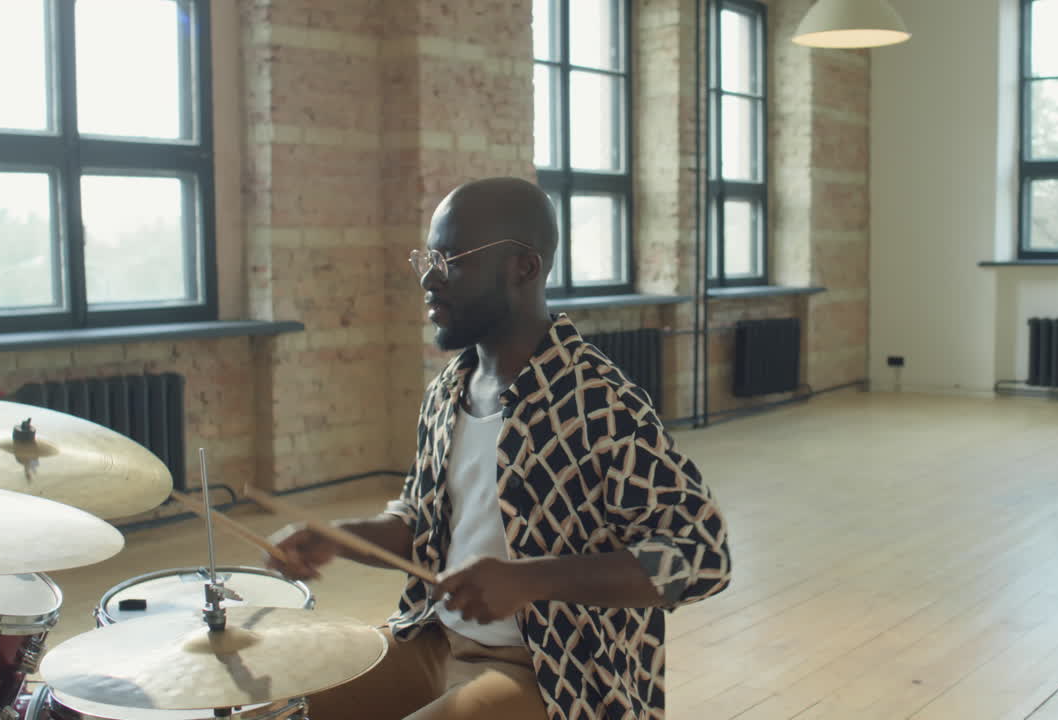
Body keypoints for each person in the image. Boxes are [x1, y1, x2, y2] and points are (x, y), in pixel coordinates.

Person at [267, 176, 731, 719]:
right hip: (434, 637)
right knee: (287, 709)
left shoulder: (601, 404)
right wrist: (339, 538)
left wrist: (528, 579)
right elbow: (423, 523)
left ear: (524, 268)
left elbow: (703, 556)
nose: (429, 281)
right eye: (427, 260)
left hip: (554, 669)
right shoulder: (448, 388)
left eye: (451, 260)